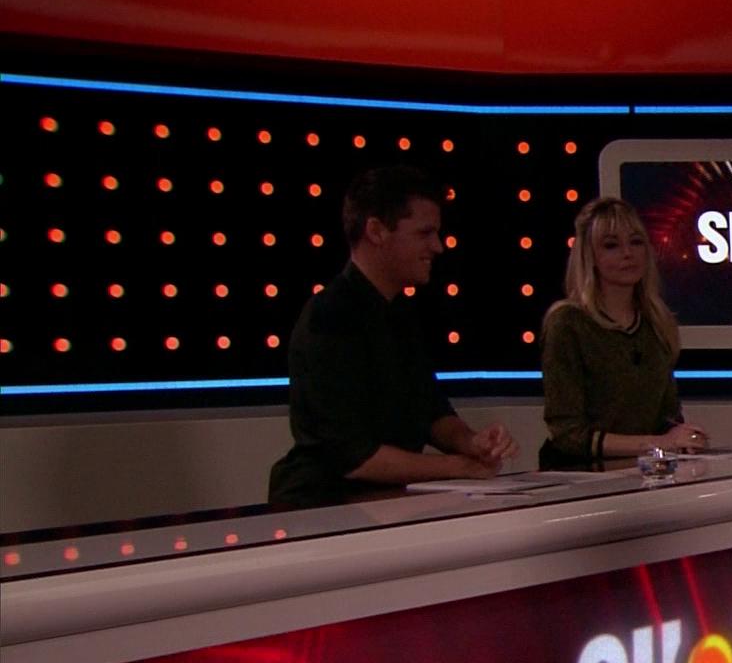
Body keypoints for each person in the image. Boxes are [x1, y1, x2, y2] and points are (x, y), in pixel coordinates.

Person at [268, 166, 518, 506]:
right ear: (376, 231)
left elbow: (431, 411)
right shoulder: (329, 316)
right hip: (322, 506)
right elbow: (354, 457)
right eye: (425, 233)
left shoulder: (400, 314)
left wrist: (473, 443)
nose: (438, 246)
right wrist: (457, 467)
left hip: (384, 504)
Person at [541, 197, 707, 466]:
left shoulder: (657, 321)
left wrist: (685, 438)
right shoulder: (568, 323)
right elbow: (568, 434)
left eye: (636, 242)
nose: (628, 253)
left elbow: (668, 418)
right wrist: (659, 443)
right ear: (590, 257)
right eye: (611, 245)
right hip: (579, 475)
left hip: (645, 472)